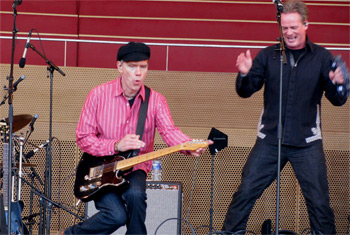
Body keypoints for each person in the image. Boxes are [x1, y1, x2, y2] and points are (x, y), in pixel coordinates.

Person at [221, 0, 347, 234]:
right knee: (246, 191)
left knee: (319, 203)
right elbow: (246, 91)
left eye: (294, 27)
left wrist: (340, 85)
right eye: (285, 27)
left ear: (306, 24)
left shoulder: (321, 57)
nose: (288, 32)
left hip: (307, 142)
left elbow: (338, 99)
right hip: (270, 140)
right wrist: (245, 74)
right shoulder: (269, 55)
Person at [61, 41, 211, 234]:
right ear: (119, 66)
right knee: (116, 216)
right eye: (132, 66)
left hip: (135, 166)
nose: (138, 73)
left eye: (143, 67)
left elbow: (169, 131)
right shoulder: (98, 95)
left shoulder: (156, 101)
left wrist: (187, 145)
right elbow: (83, 138)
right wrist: (116, 145)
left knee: (136, 195)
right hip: (99, 168)